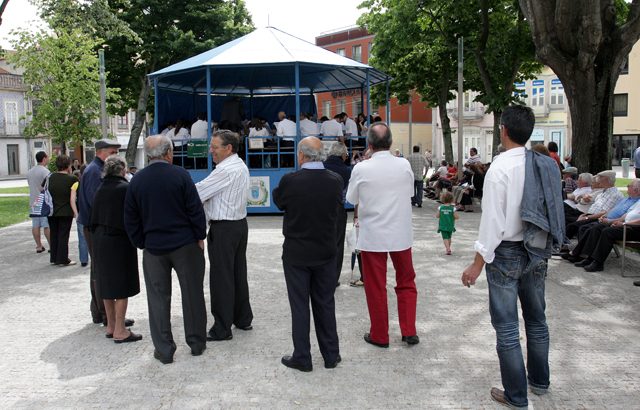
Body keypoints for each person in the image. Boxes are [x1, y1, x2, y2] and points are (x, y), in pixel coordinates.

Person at [461, 105, 564, 409]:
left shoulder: (500, 168)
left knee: (507, 327)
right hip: (537, 247)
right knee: (537, 320)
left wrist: (476, 263)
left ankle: (516, 396)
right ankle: (540, 381)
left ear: (503, 130)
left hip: (506, 252)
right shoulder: (544, 164)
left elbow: (492, 223)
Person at [124, 134, 208, 364]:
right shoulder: (181, 175)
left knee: (158, 299)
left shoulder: (137, 180)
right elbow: (195, 210)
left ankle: (164, 349)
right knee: (192, 294)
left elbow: (130, 218)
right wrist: (200, 236)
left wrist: (142, 242)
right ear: (169, 153)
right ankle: (197, 342)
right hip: (185, 244)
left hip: (154, 247)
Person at [346, 122, 419, 347]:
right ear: (390, 143)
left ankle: (380, 334)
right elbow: (410, 192)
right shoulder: (403, 164)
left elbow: (351, 199)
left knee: (375, 286)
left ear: (369, 144)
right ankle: (409, 330)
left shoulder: (361, 168)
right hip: (400, 232)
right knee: (406, 282)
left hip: (373, 234)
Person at [273, 136, 343, 372]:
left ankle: (302, 356)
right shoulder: (335, 180)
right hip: (325, 250)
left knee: (300, 305)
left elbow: (279, 201)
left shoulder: (290, 180)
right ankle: (331, 354)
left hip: (297, 253)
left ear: (301, 155)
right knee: (325, 302)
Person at [195, 130, 253, 341]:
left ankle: (222, 327)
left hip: (224, 227)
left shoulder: (225, 170)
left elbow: (198, 192)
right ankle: (242, 317)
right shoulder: (239, 165)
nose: (211, 151)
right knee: (238, 273)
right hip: (239, 224)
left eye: (215, 147)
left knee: (221, 278)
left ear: (228, 148)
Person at [91, 155, 141, 343]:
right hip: (118, 240)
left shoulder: (100, 188)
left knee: (106, 284)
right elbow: (133, 215)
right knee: (121, 286)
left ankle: (111, 325)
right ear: (122, 170)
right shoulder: (125, 189)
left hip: (100, 239)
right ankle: (120, 330)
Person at [78, 139, 122, 325]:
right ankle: (106, 315)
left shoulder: (94, 169)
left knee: (98, 269)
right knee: (100, 270)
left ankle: (100, 312)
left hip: (92, 224)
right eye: (113, 152)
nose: (115, 156)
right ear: (102, 152)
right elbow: (96, 202)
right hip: (94, 226)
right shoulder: (96, 171)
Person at [323, 142, 352, 287]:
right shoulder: (347, 170)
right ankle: (333, 278)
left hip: (319, 209)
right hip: (338, 210)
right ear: (342, 155)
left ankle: (319, 276)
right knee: (338, 244)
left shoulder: (321, 166)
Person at [47, 154, 79, 266]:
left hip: (51, 210)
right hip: (66, 211)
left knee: (54, 234)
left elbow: (42, 188)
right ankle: (63, 259)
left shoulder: (50, 177)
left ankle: (54, 258)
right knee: (63, 235)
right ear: (68, 165)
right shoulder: (72, 179)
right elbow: (76, 195)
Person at [27, 151, 51, 253]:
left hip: (33, 200)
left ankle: (39, 246)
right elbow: (48, 186)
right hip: (43, 201)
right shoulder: (45, 172)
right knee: (46, 225)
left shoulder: (30, 171)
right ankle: (51, 245)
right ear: (44, 158)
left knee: (35, 224)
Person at [70, 166, 89, 267]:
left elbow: (72, 200)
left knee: (82, 238)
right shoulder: (92, 183)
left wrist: (76, 214)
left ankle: (83, 260)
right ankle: (94, 258)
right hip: (90, 214)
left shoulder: (76, 185)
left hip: (81, 215)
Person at [436, 191, 458, 255]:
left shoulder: (440, 208)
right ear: (451, 199)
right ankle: (448, 248)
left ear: (442, 199)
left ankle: (448, 249)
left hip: (443, 225)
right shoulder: (452, 208)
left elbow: (437, 216)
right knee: (449, 237)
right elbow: (457, 217)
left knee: (445, 237)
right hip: (450, 225)